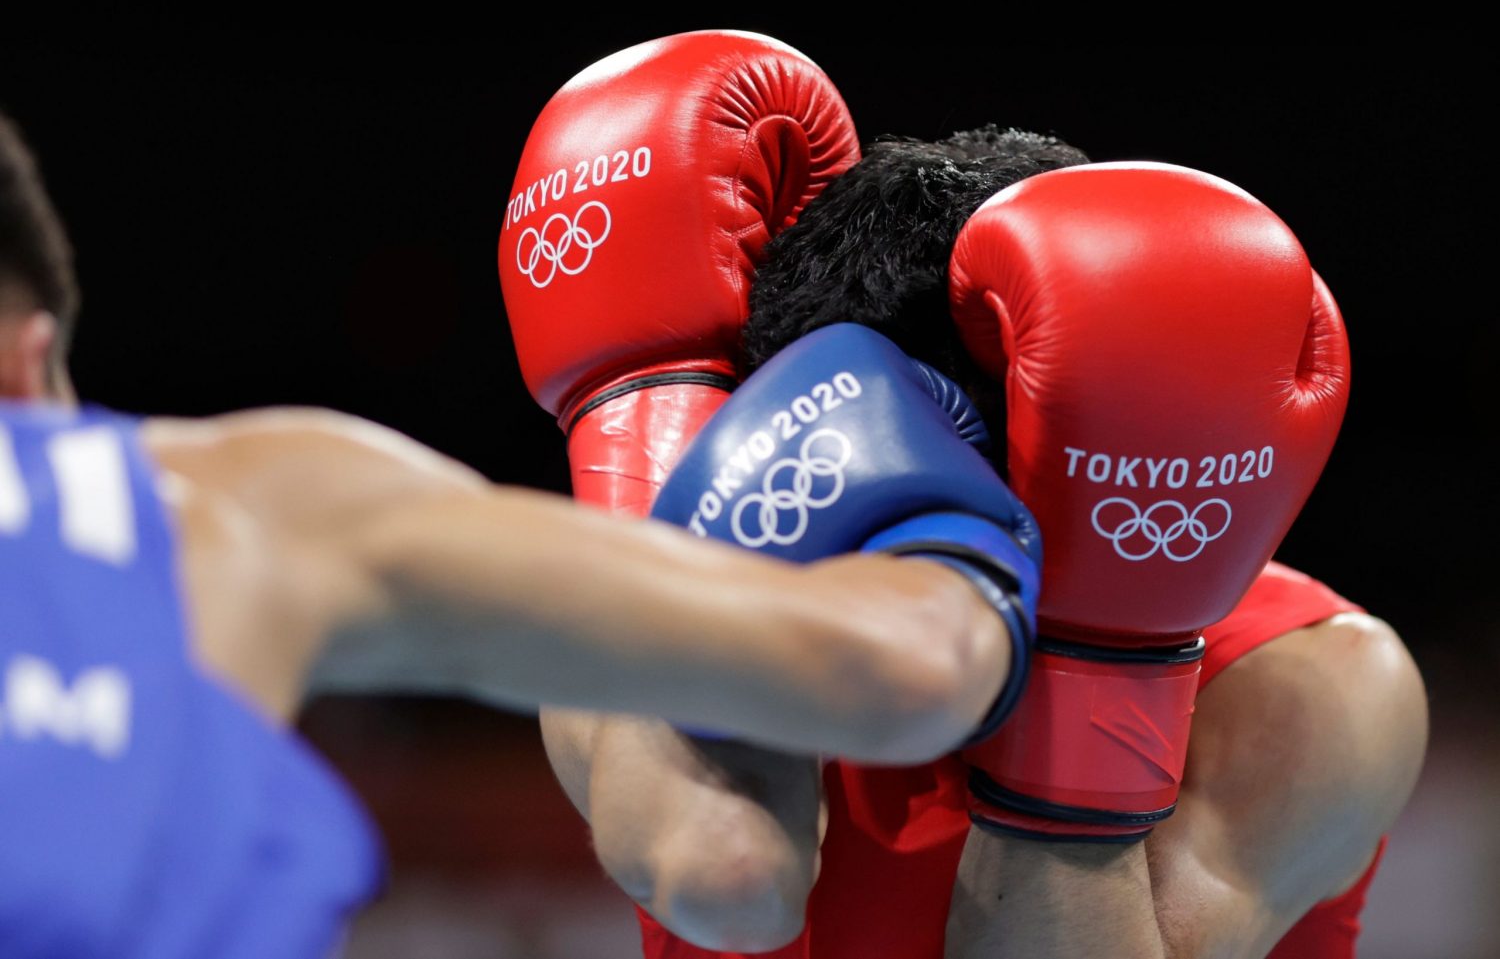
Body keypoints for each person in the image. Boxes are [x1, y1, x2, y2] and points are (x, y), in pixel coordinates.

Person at [0, 100, 1039, 956]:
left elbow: (723, 874)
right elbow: (894, 680)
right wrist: (963, 513)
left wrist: (639, 397)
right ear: (26, 358)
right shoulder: (232, 502)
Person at [502, 31, 1428, 959]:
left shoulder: (1313, 683)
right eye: (819, 432)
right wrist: (662, 452)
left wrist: (1098, 657)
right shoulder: (692, 596)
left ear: (1063, 445)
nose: (852, 485)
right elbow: (721, 882)